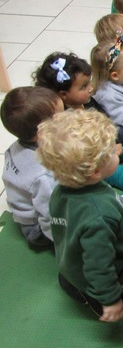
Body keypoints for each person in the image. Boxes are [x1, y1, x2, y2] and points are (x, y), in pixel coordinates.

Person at [36, 109, 123, 322]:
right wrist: (110, 299)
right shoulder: (99, 214)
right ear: (95, 172)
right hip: (96, 278)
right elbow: (99, 264)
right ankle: (93, 298)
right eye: (112, 151)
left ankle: (71, 281)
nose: (117, 150)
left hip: (70, 263)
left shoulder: (60, 191)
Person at [33, 51, 123, 183]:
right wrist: (106, 149)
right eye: (84, 87)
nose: (91, 88)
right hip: (90, 160)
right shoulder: (62, 119)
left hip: (106, 142)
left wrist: (112, 141)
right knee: (115, 167)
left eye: (89, 82)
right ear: (64, 94)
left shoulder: (87, 101)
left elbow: (106, 120)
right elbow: (75, 153)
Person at [0, 87, 64, 249]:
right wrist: (64, 241)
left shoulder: (17, 145)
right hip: (37, 228)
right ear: (43, 133)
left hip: (25, 206)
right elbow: (52, 216)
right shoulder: (44, 175)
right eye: (61, 118)